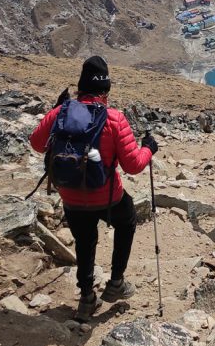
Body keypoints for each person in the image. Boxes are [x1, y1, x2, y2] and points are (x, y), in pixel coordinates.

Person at [29, 56, 157, 320]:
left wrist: (55, 116)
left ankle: (87, 297)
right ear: (106, 89)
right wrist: (149, 148)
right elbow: (133, 165)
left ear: (81, 86)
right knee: (127, 220)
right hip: (108, 196)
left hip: (71, 196)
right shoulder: (114, 118)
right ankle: (116, 282)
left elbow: (37, 144)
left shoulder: (60, 112)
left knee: (85, 242)